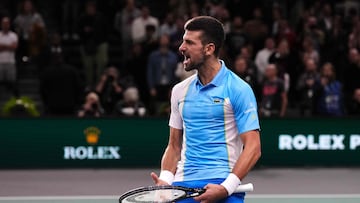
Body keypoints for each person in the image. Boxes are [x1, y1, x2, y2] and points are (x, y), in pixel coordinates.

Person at [150, 16, 261, 203]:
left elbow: (253, 147)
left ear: (209, 49)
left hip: (222, 182)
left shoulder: (238, 89)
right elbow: (174, 146)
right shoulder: (179, 91)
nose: (181, 47)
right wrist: (166, 180)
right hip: (182, 184)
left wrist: (226, 188)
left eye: (189, 42)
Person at [78, 0, 108, 86]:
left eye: (92, 7)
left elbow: (106, 30)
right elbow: (78, 31)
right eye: (88, 8)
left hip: (100, 43)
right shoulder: (82, 18)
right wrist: (84, 31)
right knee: (88, 67)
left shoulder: (101, 17)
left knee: (101, 65)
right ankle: (89, 85)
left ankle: (99, 85)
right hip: (86, 44)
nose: (90, 9)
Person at [0, 16, 18, 96]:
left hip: (10, 62)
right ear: (1, 24)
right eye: (4, 23)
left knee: (12, 82)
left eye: (7, 23)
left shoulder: (13, 35)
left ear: (9, 25)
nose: (5, 25)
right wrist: (9, 46)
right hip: (0, 62)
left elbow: (14, 47)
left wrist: (2, 46)